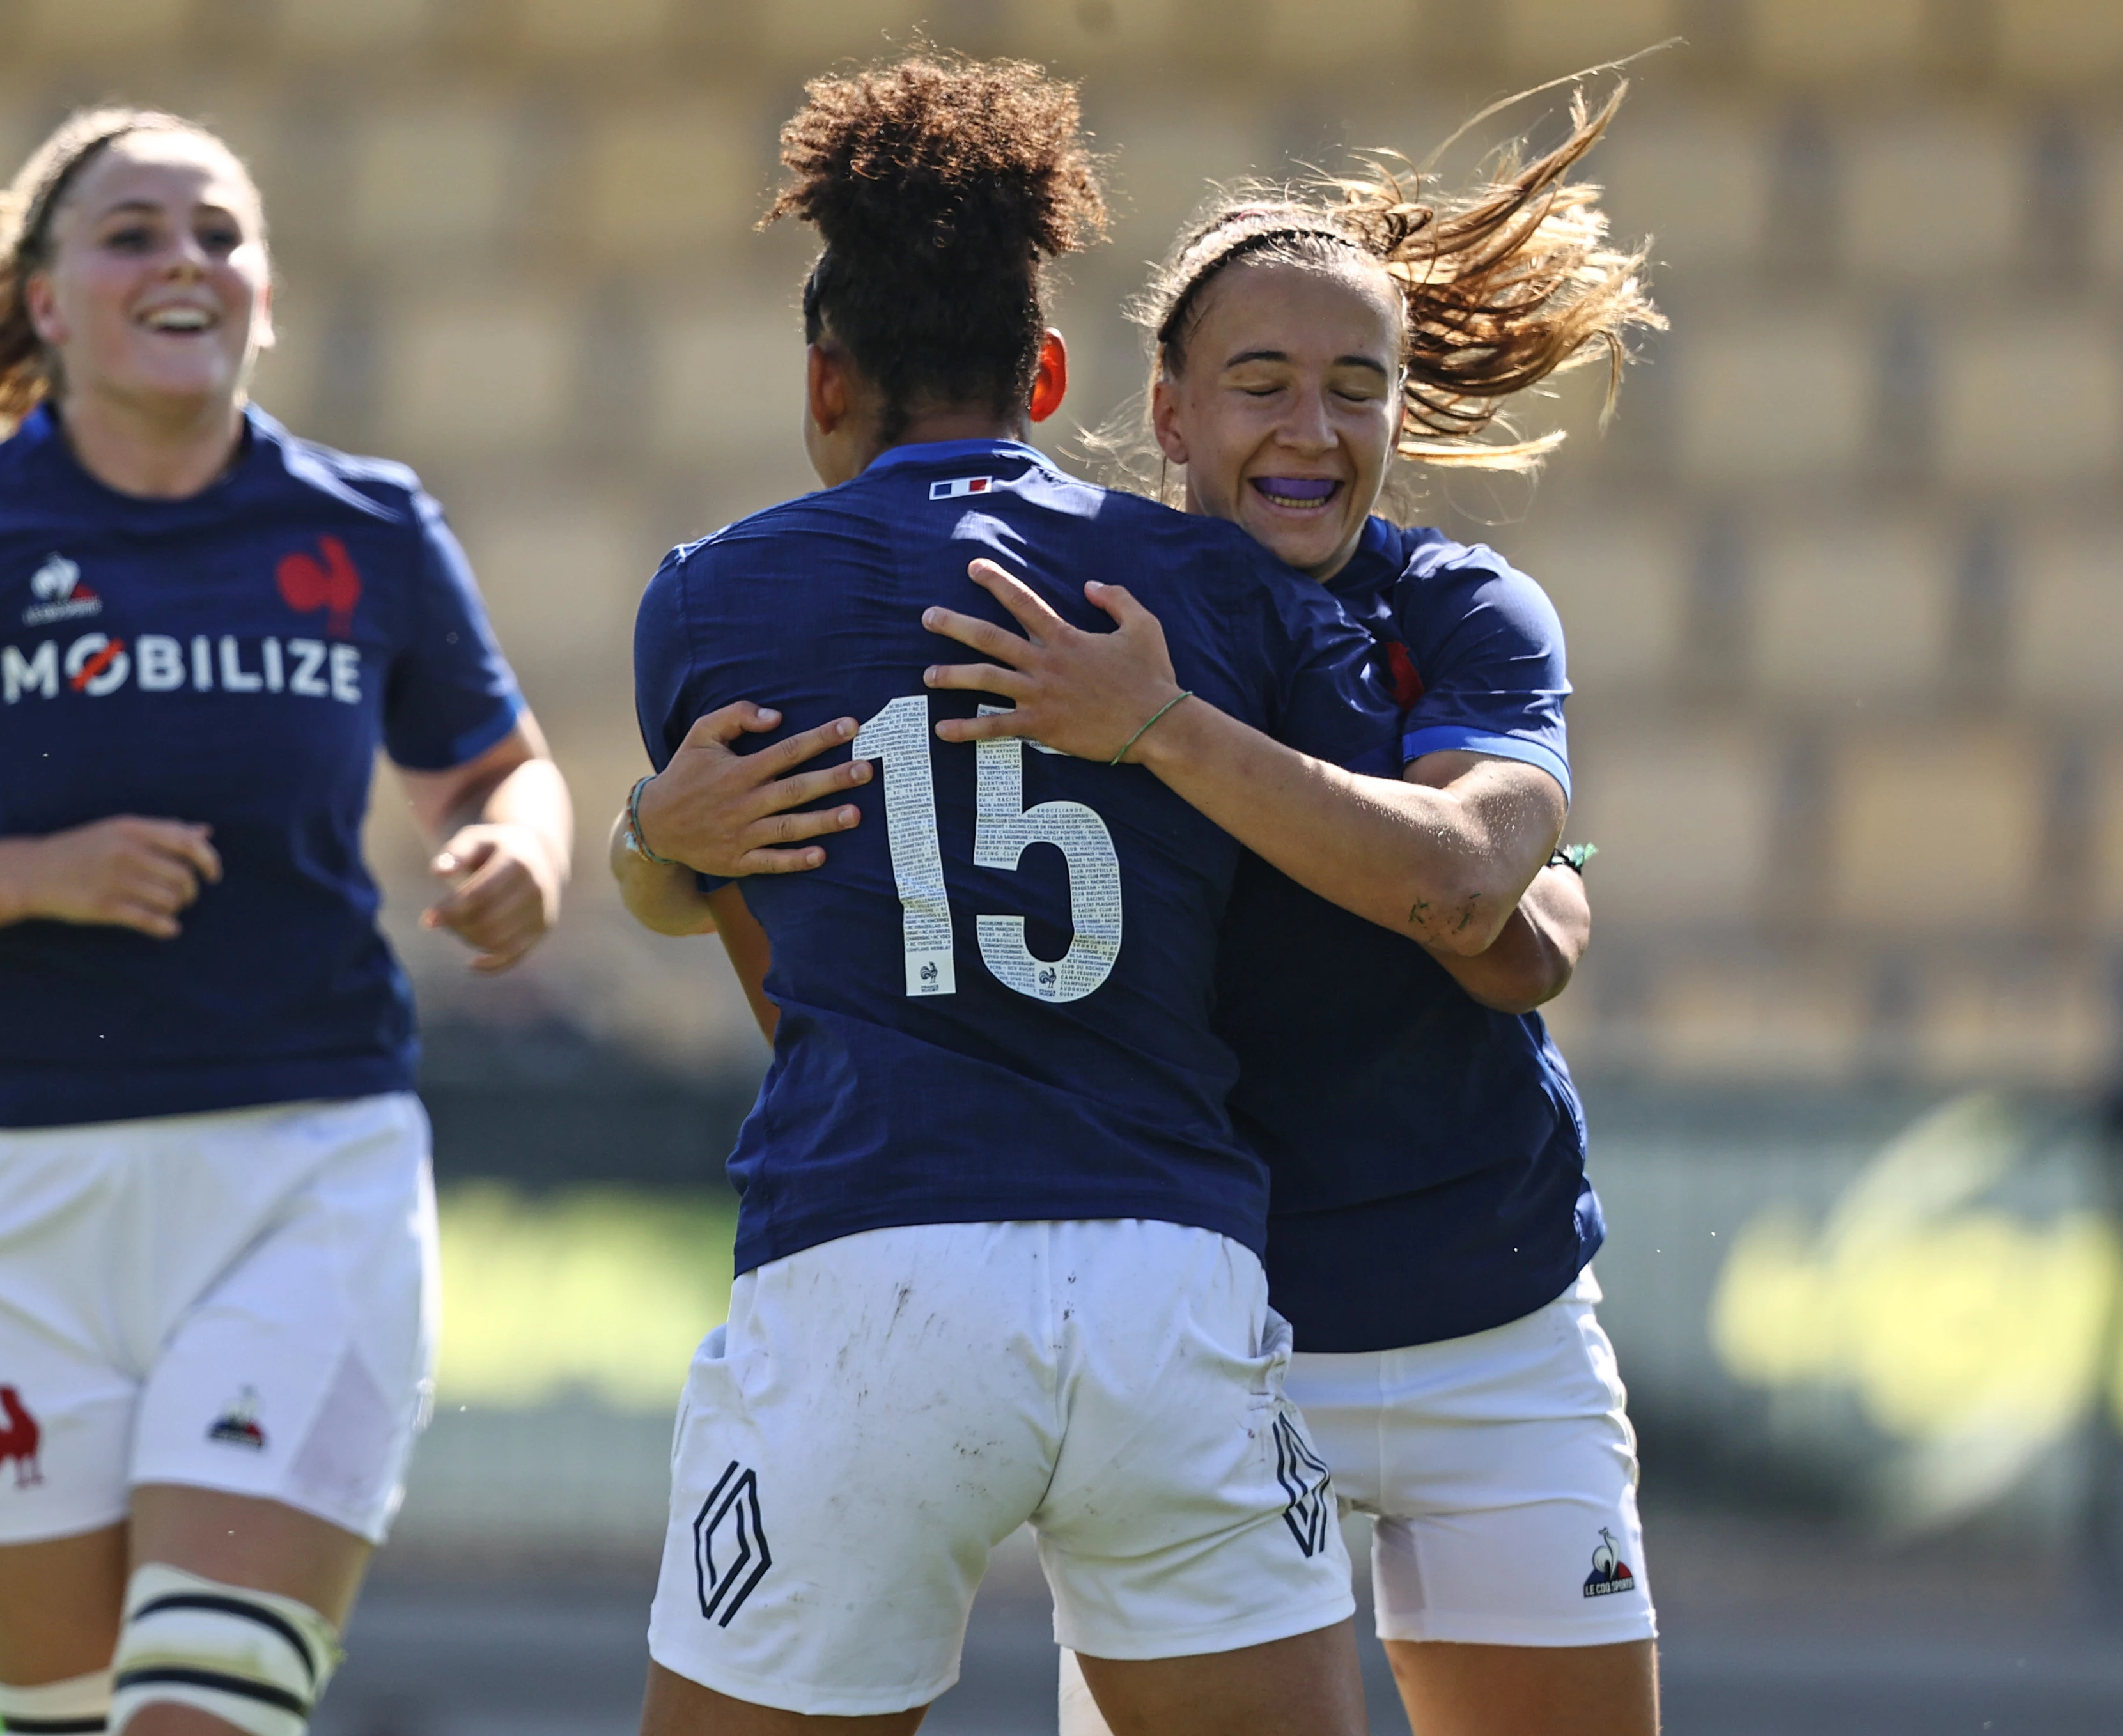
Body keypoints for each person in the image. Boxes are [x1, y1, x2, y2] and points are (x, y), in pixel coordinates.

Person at [625, 82, 1663, 1736]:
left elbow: (1494, 900)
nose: (1310, 430)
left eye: (1353, 388)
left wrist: (1170, 735)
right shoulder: (1187, 601)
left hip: (1462, 1293)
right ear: (1148, 408)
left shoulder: (1402, 614)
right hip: (1207, 1307)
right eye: (1263, 384)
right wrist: (644, 844)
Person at [0, 109, 572, 1736]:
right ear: (46, 302)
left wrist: (513, 850)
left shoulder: (371, 524)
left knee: (203, 1709)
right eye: (132, 232)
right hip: (9, 1203)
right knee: (69, 1713)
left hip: (303, 1175)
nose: (184, 258)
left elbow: (500, 770)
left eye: (220, 233)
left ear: (262, 292)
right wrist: (28, 874)